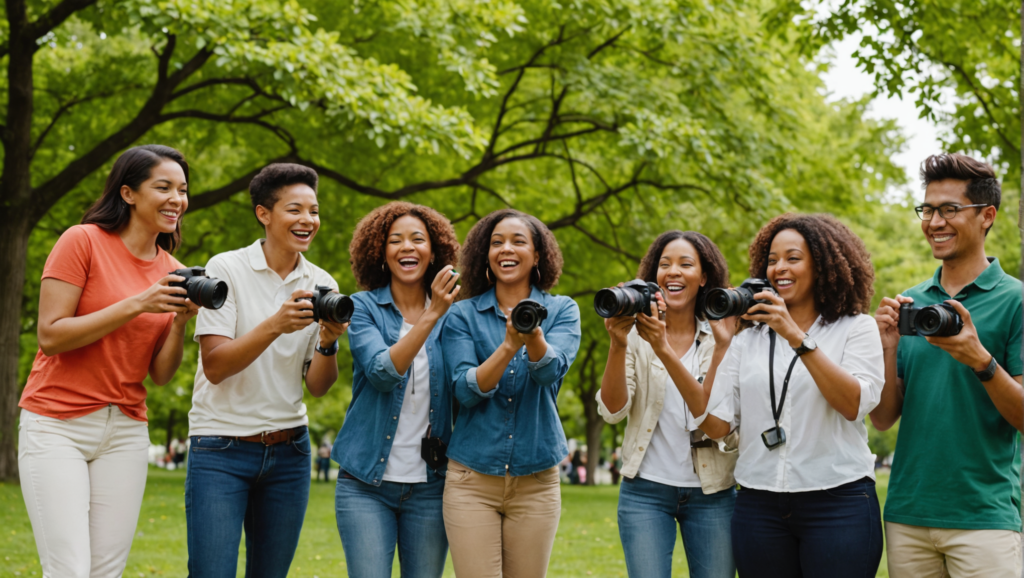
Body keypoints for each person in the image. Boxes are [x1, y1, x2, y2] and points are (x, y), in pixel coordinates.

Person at [18, 145, 199, 577]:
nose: (177, 199)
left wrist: (178, 324)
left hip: (125, 430)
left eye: (183, 189)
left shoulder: (173, 269)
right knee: (69, 570)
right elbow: (51, 335)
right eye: (164, 187)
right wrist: (139, 302)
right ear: (128, 193)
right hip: (57, 423)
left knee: (105, 571)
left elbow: (159, 374)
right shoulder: (82, 241)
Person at [185, 163, 348, 578]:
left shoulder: (320, 281)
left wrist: (328, 340)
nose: (308, 220)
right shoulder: (226, 268)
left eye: (313, 211)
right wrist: (276, 324)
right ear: (264, 214)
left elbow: (317, 387)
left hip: (290, 452)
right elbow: (216, 366)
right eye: (295, 210)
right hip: (220, 447)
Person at [698, 213, 884, 578]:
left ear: (823, 266)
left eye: (793, 258)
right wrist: (720, 347)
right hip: (759, 504)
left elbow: (854, 404)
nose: (779, 268)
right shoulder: (746, 340)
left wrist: (795, 335)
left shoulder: (856, 328)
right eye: (771, 260)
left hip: (838, 501)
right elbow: (716, 425)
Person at [872, 153, 1023, 578]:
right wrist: (886, 347)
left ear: (987, 216)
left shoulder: (1017, 301)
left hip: (984, 518)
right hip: (907, 515)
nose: (934, 222)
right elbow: (883, 418)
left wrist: (981, 360)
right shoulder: (911, 302)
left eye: (949, 209)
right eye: (927, 209)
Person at [441, 209, 581, 577]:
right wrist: (507, 346)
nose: (507, 249)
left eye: (519, 241)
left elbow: (550, 372)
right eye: (497, 242)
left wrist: (532, 332)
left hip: (536, 480)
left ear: (537, 255)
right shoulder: (461, 315)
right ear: (485, 255)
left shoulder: (563, 310)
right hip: (471, 479)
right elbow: (465, 391)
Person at [596, 230, 738, 578]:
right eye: (664, 265)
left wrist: (719, 347)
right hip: (645, 490)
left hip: (713, 491)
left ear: (704, 277)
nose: (673, 271)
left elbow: (717, 420)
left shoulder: (724, 336)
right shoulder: (634, 336)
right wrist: (617, 344)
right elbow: (613, 412)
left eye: (685, 264)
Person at [332, 201, 461, 578]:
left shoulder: (457, 315)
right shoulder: (363, 308)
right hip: (365, 484)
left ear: (433, 251)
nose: (407, 247)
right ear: (380, 252)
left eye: (418, 239)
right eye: (395, 240)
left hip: (431, 487)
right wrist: (431, 314)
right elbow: (383, 372)